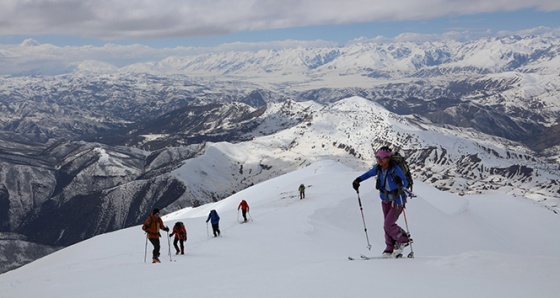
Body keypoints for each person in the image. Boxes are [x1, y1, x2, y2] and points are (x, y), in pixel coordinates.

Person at [352, 146, 412, 258]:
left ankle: (403, 239)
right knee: (386, 225)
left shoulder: (395, 169)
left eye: (382, 158)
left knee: (388, 224)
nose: (379, 160)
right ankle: (389, 249)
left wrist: (400, 182)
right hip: (385, 200)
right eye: (377, 158)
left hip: (397, 200)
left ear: (388, 158)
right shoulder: (379, 168)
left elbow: (405, 183)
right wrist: (358, 180)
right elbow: (368, 174)